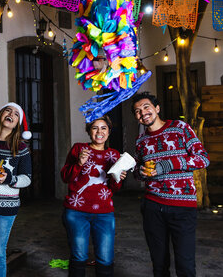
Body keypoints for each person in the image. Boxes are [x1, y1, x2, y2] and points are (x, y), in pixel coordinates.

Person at [131, 92, 210, 277]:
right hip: (152, 207)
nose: (143, 113)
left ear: (157, 108)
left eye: (146, 107)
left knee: (185, 265)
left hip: (182, 207)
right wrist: (140, 172)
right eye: (137, 111)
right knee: (159, 265)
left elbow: (203, 159)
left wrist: (168, 164)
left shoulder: (180, 128)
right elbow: (137, 173)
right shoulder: (141, 141)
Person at [61, 115, 126, 277]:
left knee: (105, 259)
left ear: (109, 132)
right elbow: (65, 177)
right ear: (89, 131)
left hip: (104, 213)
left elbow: (114, 188)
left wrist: (118, 178)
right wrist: (79, 164)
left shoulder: (114, 155)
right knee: (79, 256)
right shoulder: (79, 149)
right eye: (95, 127)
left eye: (103, 128)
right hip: (76, 212)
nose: (99, 132)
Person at [0, 102, 32, 277]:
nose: (11, 114)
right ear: (0, 115)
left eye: (16, 114)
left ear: (18, 123)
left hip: (6, 208)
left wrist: (8, 178)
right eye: (7, 110)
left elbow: (27, 179)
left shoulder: (21, 148)